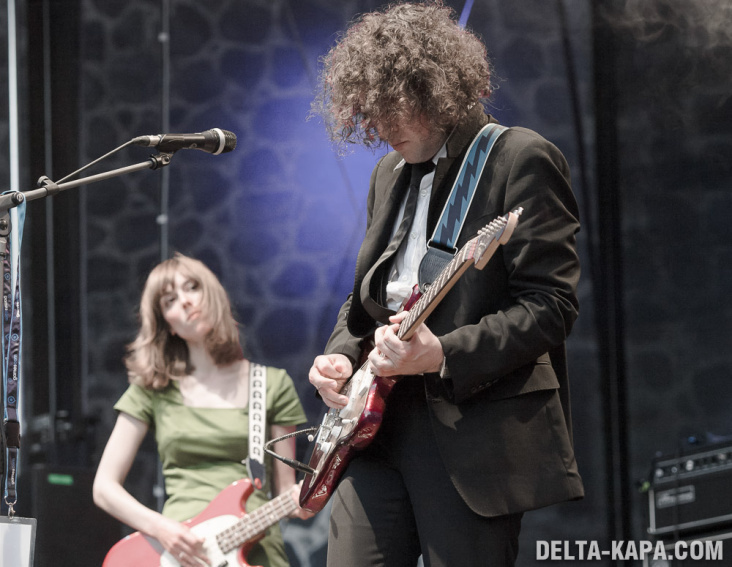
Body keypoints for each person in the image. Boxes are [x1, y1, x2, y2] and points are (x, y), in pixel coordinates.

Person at [307, 2, 584, 566]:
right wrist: (338, 357)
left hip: (470, 429)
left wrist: (442, 353)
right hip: (373, 427)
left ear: (433, 89)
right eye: (370, 112)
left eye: (392, 108)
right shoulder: (388, 174)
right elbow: (368, 301)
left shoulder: (519, 157)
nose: (380, 128)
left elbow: (552, 306)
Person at [93, 253, 312, 567]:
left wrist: (303, 501)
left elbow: (287, 493)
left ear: (212, 293)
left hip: (255, 549)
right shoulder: (153, 388)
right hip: (176, 553)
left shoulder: (271, 384)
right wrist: (162, 529)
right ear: (167, 325)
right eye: (169, 300)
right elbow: (104, 488)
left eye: (192, 287)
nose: (184, 301)